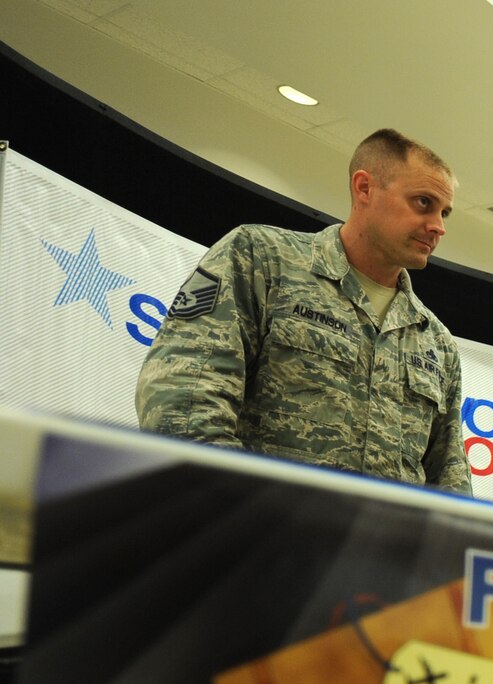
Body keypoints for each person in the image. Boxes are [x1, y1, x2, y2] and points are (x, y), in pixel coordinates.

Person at [136, 129, 469, 492]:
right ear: (364, 188)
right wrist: (239, 517)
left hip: (382, 547)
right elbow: (181, 400)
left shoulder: (435, 342)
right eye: (423, 202)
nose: (438, 226)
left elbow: (449, 477)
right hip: (259, 537)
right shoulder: (261, 259)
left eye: (444, 213)